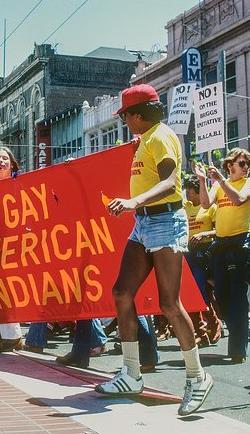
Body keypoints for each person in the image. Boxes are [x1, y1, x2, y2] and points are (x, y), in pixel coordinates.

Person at [94, 84, 212, 416]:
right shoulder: (147, 139)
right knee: (121, 292)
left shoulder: (160, 136)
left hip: (165, 222)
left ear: (138, 114)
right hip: (144, 225)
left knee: (169, 303)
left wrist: (132, 201)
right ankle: (131, 373)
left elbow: (170, 182)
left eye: (126, 115)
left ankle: (197, 377)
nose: (124, 121)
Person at [193, 148, 250, 364]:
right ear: (230, 166)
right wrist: (203, 180)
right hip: (221, 244)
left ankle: (238, 349)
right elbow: (204, 204)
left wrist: (221, 180)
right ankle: (241, 328)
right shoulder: (218, 186)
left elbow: (239, 199)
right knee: (221, 294)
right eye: (242, 163)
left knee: (238, 296)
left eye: (247, 163)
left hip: (240, 243)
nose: (246, 167)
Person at [0, 146, 24, 352]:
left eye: (4, 158)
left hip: (16, 242)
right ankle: (4, 333)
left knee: (9, 288)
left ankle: (13, 336)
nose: (0, 161)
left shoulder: (19, 183)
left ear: (12, 163)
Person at [183, 176, 221, 347]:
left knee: (201, 292)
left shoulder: (211, 208)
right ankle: (202, 330)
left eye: (189, 190)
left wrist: (204, 234)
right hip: (188, 254)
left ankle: (213, 324)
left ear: (198, 191)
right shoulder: (186, 207)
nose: (186, 193)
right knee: (191, 293)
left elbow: (220, 230)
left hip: (205, 254)